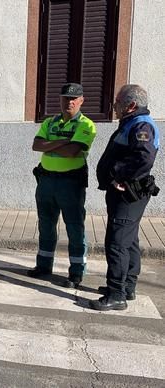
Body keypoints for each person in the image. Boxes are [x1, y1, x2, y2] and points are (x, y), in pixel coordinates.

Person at [90, 84, 160, 311]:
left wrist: (119, 174)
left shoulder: (141, 125)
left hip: (129, 194)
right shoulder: (131, 122)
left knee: (117, 242)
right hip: (127, 194)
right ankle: (127, 287)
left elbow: (144, 157)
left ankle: (116, 294)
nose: (114, 107)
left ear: (131, 105)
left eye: (117, 102)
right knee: (129, 241)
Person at [28, 83, 97, 288]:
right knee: (45, 224)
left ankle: (76, 272)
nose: (70, 102)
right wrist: (63, 142)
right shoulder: (50, 122)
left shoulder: (86, 125)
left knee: (75, 227)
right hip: (46, 180)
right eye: (66, 98)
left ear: (81, 100)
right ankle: (43, 266)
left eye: (74, 98)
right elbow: (36, 145)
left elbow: (73, 152)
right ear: (60, 99)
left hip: (70, 183)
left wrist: (52, 144)